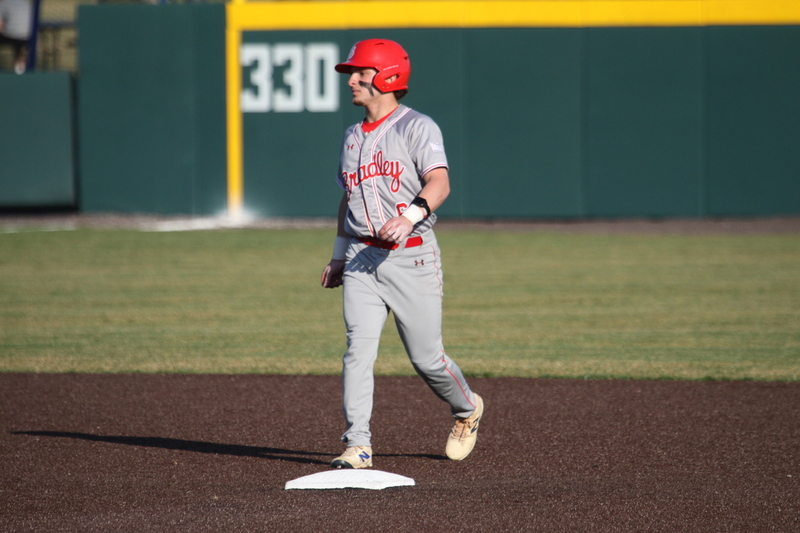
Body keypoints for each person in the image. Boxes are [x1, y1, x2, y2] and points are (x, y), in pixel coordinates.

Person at [320, 38, 484, 469]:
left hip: (412, 257)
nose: (352, 79)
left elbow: (440, 184)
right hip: (361, 259)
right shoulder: (352, 136)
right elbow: (349, 198)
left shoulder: (418, 127)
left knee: (427, 360)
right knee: (358, 350)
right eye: (351, 72)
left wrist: (409, 216)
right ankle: (357, 444)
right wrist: (339, 254)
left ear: (388, 75)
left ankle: (467, 409)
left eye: (360, 72)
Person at [0, 0, 31, 74]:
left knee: (14, 40)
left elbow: (0, 27)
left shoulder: (3, 4)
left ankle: (19, 67)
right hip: (29, 36)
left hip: (13, 37)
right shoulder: (23, 2)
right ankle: (20, 68)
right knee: (18, 47)